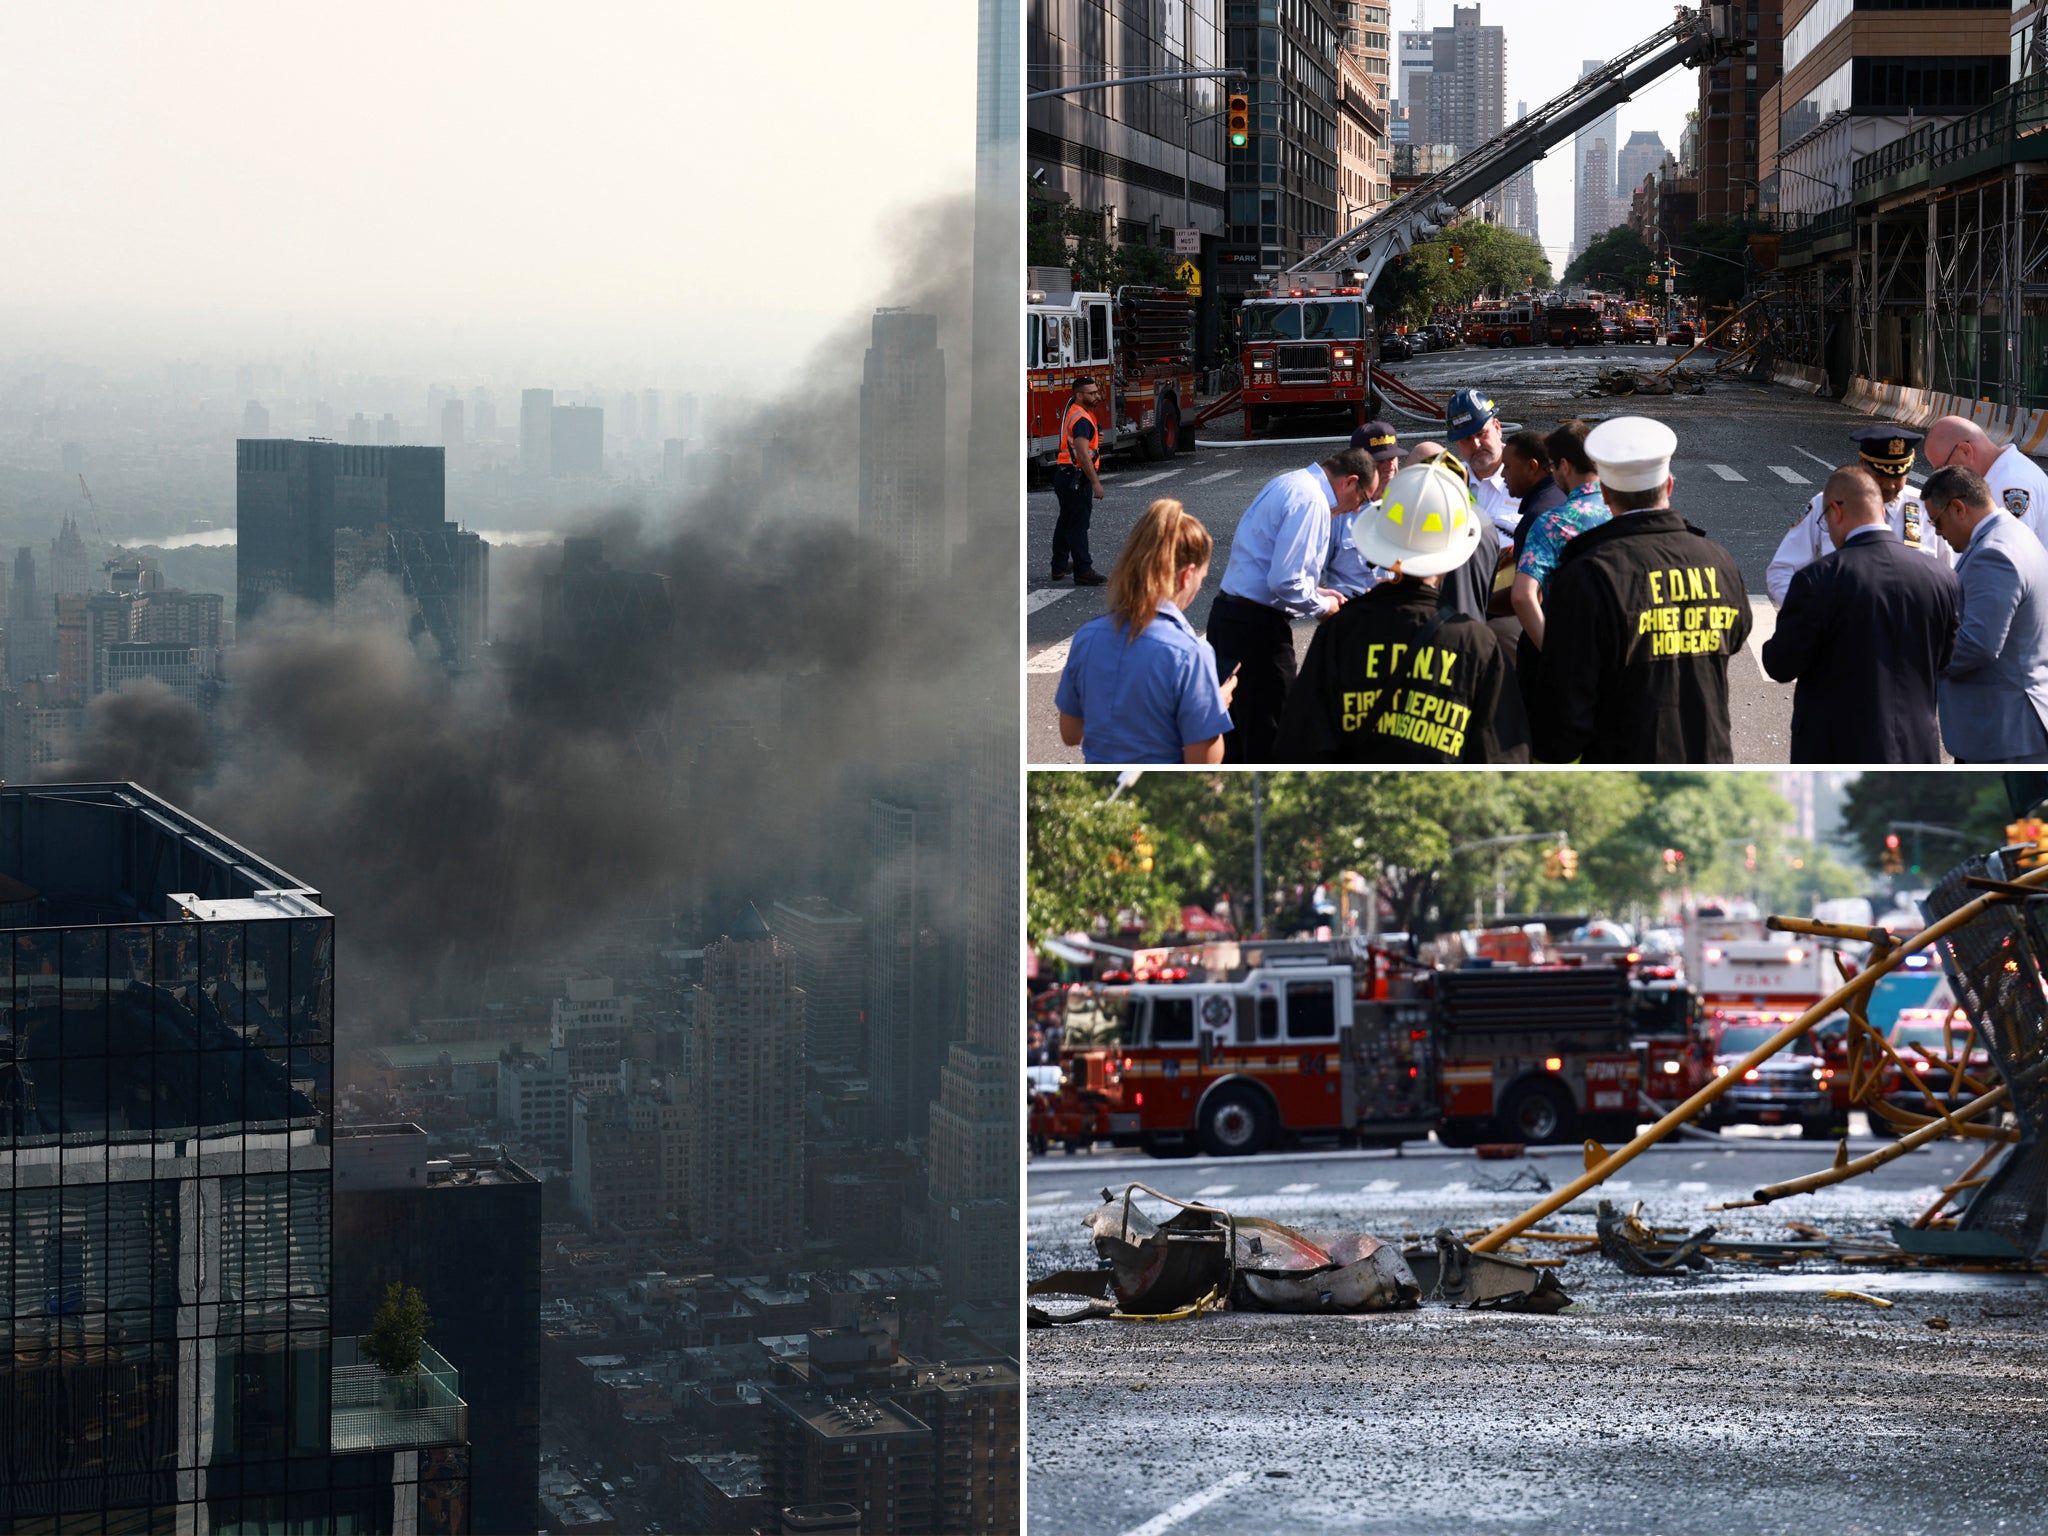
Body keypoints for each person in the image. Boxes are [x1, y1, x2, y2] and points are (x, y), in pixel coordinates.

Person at [1274, 458, 1530, 762]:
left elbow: (1298, 746)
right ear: (1454, 552)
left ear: (1379, 540)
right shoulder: (1477, 644)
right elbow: (1505, 758)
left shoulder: (1339, 632)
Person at [1531, 415, 1752, 762]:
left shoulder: (1588, 575)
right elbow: (1735, 637)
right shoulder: (1719, 560)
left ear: (1605, 493)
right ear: (1669, 486)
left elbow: (1564, 709)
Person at [1760, 466, 1959, 763]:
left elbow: (1780, 664)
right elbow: (1946, 659)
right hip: (1915, 746)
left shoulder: (1818, 580)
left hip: (1837, 747)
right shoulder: (1941, 578)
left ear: (1836, 512)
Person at [1208, 447, 1374, 761]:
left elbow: (1273, 566)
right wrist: (1322, 607)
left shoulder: (1290, 482)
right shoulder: (1313, 502)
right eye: (1362, 499)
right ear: (1350, 482)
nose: (1356, 509)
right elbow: (1285, 582)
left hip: (1231, 616)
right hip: (1257, 630)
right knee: (1277, 732)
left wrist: (1317, 591)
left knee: (1235, 732)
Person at [1056, 499, 1237, 763]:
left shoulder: (1087, 636)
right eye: (1202, 578)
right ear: (1187, 575)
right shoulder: (1191, 653)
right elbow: (1203, 759)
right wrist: (1216, 705)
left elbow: (1070, 733)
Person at [1924, 464, 2048, 763]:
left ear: (1958, 508)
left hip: (2003, 734)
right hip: (2015, 726)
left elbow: (1976, 646)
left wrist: (1914, 657)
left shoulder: (1993, 554)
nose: (1937, 532)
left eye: (1936, 521)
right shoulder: (2015, 534)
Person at [1765, 426, 1948, 604]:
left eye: (1898, 477)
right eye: (1881, 477)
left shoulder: (1926, 507)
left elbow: (1950, 574)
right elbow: (1782, 571)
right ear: (1862, 463)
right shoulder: (1829, 503)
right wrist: (1811, 616)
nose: (1890, 485)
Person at [1511, 420, 1611, 651]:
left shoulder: (1552, 523)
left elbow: (1522, 596)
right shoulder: (1622, 509)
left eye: (1553, 467)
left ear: (1565, 466)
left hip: (1573, 643)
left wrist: (1553, 655)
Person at [1923, 414, 2048, 547]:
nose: (1943, 478)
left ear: (1965, 451)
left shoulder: (2011, 485)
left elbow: (2008, 554)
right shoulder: (2003, 473)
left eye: (1944, 468)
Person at [1325, 421, 1404, 599]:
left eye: (1392, 458)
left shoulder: (1413, 506)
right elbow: (1311, 574)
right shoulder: (1339, 514)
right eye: (1380, 460)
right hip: (1351, 608)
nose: (1389, 466)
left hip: (1399, 607)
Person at [1050, 377, 1107, 586]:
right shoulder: (1081, 418)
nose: (1097, 396)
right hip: (1075, 476)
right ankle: (1083, 570)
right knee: (1078, 524)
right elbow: (1083, 455)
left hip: (1065, 474)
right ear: (1079, 395)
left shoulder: (1078, 413)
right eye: (1092, 393)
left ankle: (1059, 565)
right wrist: (1096, 483)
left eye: (1096, 392)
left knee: (1066, 520)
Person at [1445, 387, 1519, 537]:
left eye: (1481, 434)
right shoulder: (1448, 484)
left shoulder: (1530, 477)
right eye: (1466, 439)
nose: (1476, 444)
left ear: (1497, 428)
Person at [1503, 428, 1565, 563]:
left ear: (1532, 467)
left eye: (1507, 466)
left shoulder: (1535, 520)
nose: (1502, 474)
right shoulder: (1566, 494)